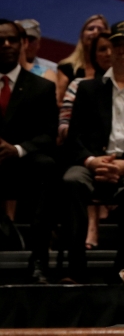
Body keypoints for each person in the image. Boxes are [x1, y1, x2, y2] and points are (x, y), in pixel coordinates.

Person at [63, 21, 124, 281]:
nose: (121, 50)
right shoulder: (89, 88)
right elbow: (74, 138)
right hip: (92, 163)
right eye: (116, 44)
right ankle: (75, 267)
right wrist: (93, 161)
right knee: (72, 179)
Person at [0, 20, 59, 283]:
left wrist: (18, 149)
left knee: (47, 165)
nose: (6, 45)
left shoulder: (41, 87)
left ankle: (38, 261)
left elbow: (48, 134)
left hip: (23, 163)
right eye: (1, 40)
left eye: (12, 39)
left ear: (22, 44)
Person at [58, 31, 115, 251]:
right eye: (102, 49)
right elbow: (65, 126)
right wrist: (92, 158)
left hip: (119, 159)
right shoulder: (81, 85)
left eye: (113, 47)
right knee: (75, 177)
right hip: (84, 156)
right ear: (93, 54)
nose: (109, 53)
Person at [56, 15, 109, 104]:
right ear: (81, 35)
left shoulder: (112, 70)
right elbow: (57, 101)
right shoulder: (67, 67)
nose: (95, 32)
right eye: (90, 29)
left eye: (100, 29)